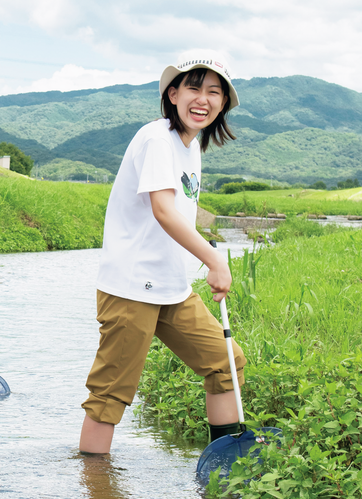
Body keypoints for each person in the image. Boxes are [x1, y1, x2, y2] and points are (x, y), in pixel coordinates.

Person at [79, 57, 244, 455]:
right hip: (131, 287)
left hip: (171, 288)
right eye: (193, 88)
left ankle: (222, 466)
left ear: (222, 103)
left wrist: (205, 255)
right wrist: (214, 259)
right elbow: (164, 211)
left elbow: (178, 218)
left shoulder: (191, 148)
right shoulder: (157, 138)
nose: (202, 100)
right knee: (111, 393)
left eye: (213, 92)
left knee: (226, 364)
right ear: (173, 94)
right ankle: (95, 493)